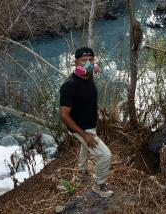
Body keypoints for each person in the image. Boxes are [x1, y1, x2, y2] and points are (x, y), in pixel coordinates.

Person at [59, 47, 114, 198]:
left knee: (85, 148)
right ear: (76, 62)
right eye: (84, 60)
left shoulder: (89, 78)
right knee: (105, 156)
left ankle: (82, 174)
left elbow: (87, 100)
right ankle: (99, 185)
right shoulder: (69, 86)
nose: (88, 63)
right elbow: (64, 115)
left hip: (89, 126)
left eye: (91, 60)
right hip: (81, 129)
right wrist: (85, 134)